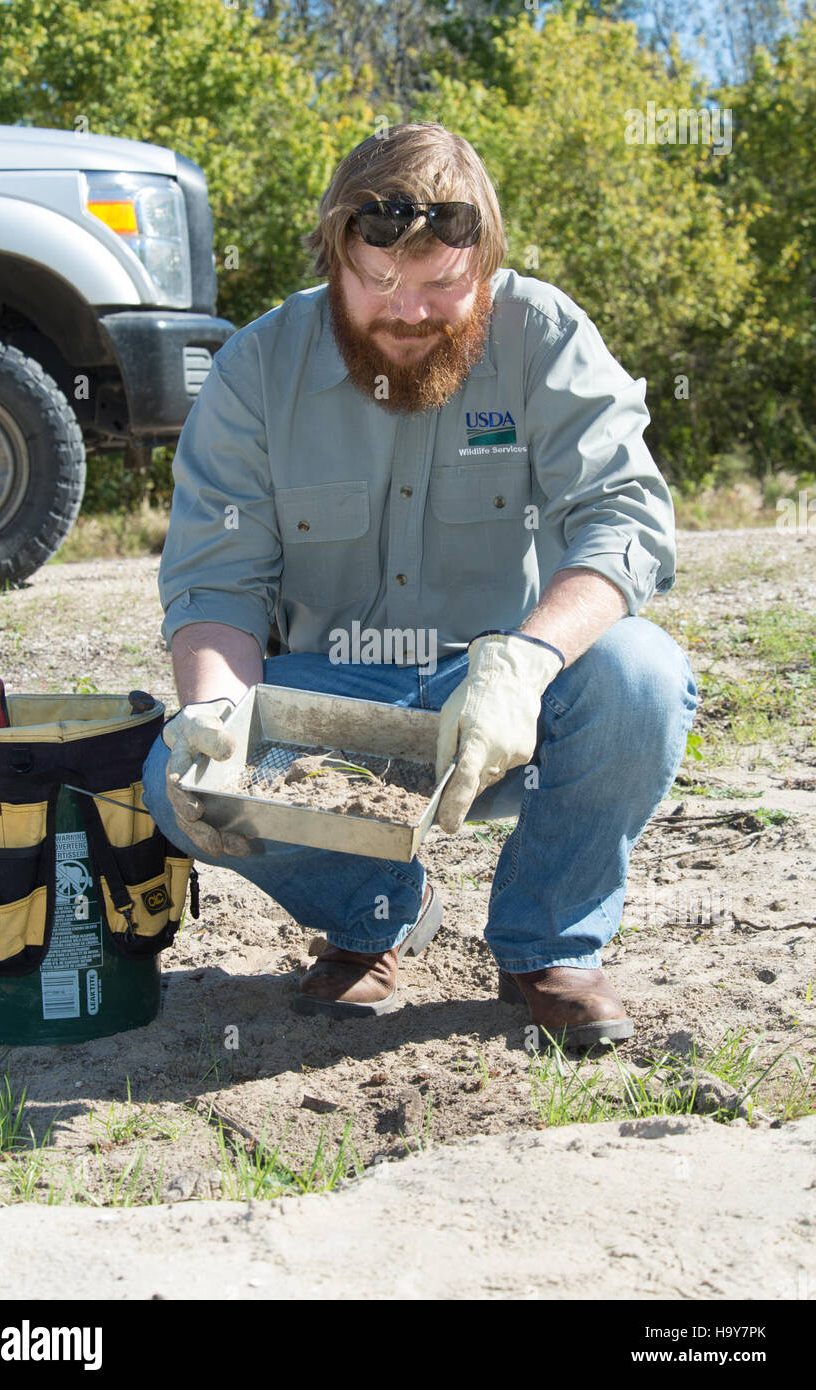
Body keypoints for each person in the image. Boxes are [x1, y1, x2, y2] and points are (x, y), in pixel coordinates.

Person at [142, 122, 698, 1048]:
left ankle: (545, 944)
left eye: (444, 286)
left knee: (640, 675)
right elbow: (215, 583)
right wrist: (217, 713)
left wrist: (523, 665)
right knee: (176, 778)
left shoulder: (543, 334)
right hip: (331, 708)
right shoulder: (253, 369)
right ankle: (373, 913)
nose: (409, 313)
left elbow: (624, 520)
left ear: (486, 264)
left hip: (504, 692)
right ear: (334, 257)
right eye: (379, 285)